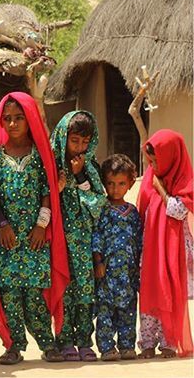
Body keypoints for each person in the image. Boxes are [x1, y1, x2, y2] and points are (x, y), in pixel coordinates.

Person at [0, 92, 69, 365]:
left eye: (19, 118)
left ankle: (47, 343)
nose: (12, 124)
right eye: (7, 119)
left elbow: (47, 193)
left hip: (35, 237)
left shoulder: (42, 155)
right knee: (9, 295)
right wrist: (3, 225)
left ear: (30, 119)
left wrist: (42, 226)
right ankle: (13, 346)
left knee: (34, 294)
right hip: (4, 237)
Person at [50, 111, 106, 361]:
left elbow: (97, 203)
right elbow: (44, 200)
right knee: (63, 288)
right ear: (64, 137)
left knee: (84, 290)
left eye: (85, 142)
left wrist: (81, 174)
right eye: (75, 141)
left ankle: (84, 340)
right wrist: (59, 187)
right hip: (59, 239)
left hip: (84, 241)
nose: (80, 148)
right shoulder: (51, 166)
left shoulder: (91, 166)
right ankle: (63, 341)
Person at [137, 129, 193, 358]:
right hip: (150, 249)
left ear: (171, 155)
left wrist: (162, 190)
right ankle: (147, 343)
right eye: (150, 161)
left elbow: (179, 210)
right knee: (149, 291)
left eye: (156, 160)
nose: (153, 166)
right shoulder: (150, 178)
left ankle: (169, 343)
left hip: (173, 250)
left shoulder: (185, 180)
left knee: (169, 290)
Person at [92, 154, 142, 361]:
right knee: (105, 311)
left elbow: (139, 241)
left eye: (121, 183)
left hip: (128, 274)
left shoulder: (133, 213)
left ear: (130, 184)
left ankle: (127, 345)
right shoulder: (101, 210)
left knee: (128, 310)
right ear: (104, 183)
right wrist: (97, 261)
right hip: (107, 272)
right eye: (110, 183)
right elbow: (96, 236)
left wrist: (140, 267)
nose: (115, 188)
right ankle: (106, 347)